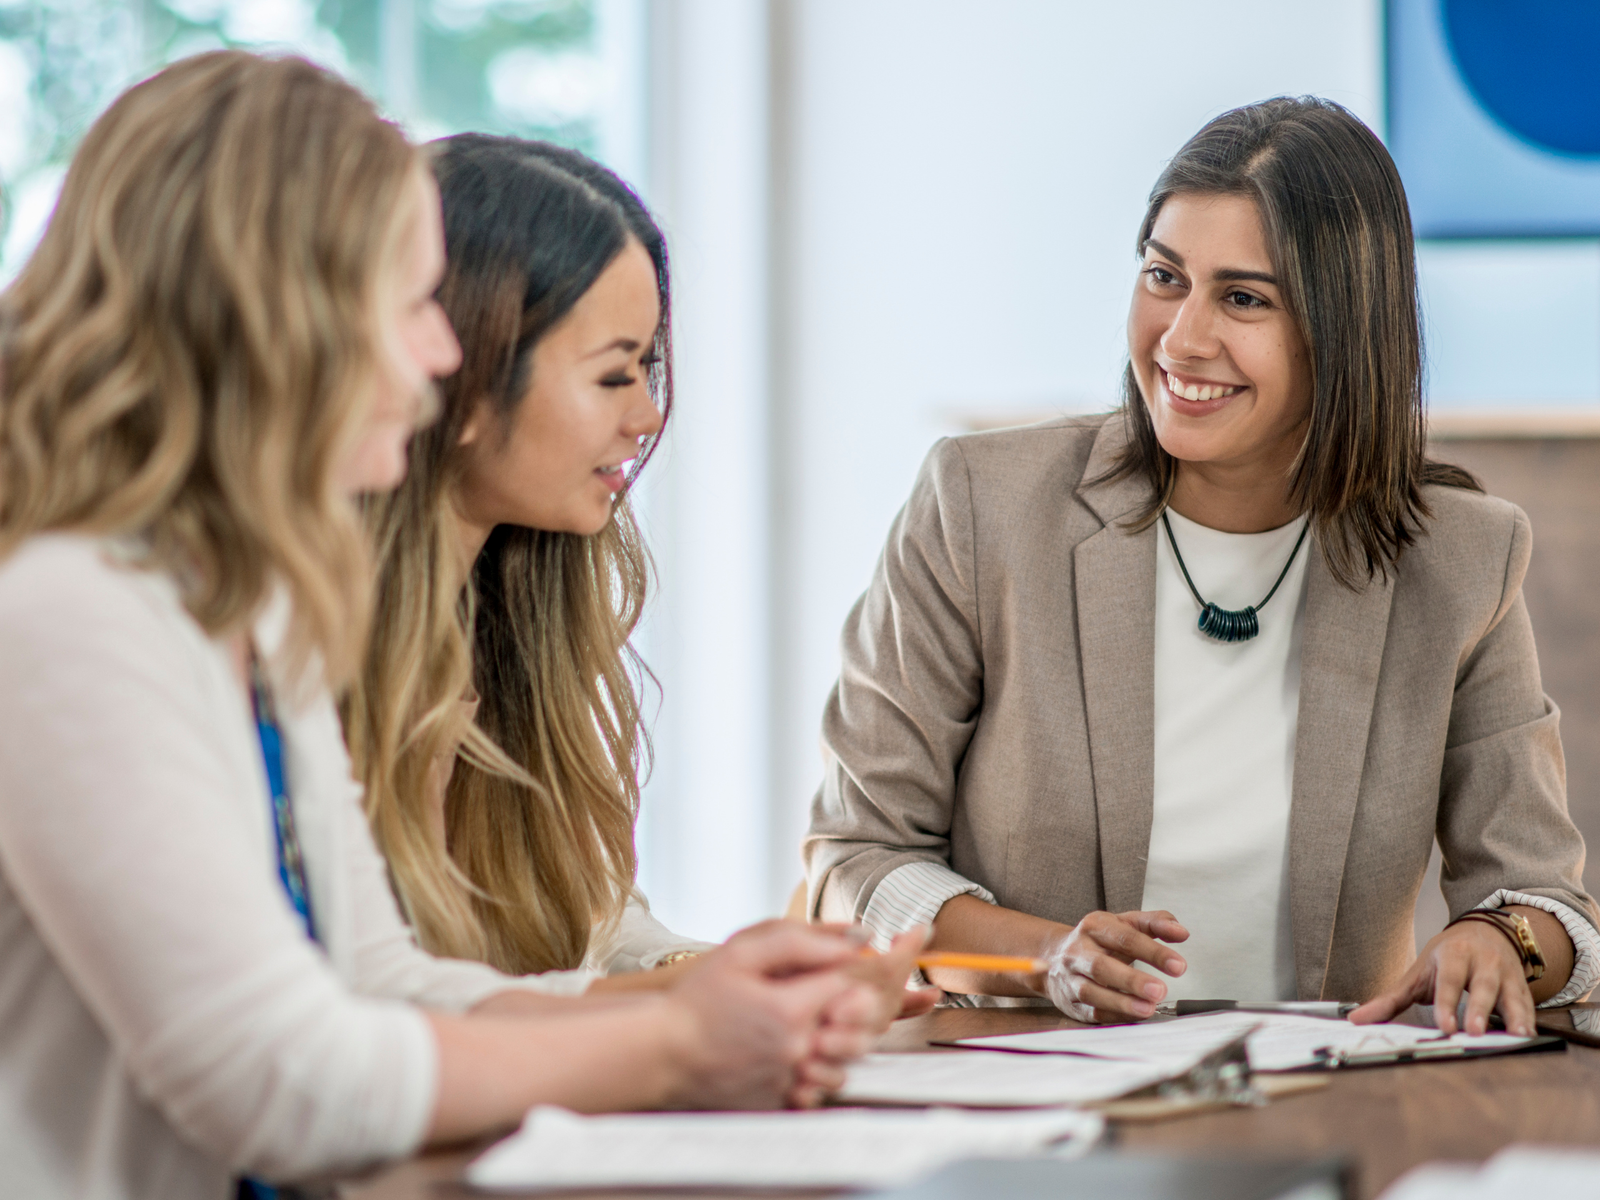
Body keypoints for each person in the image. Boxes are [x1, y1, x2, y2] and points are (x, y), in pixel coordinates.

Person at [0, 53, 885, 1200]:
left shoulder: (251, 610)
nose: (438, 354)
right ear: (276, 314)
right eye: (410, 304)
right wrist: (671, 1046)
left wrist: (702, 998)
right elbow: (272, 1075)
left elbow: (378, 985)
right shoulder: (69, 612)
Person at [803, 96, 1599, 1038]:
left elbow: (1546, 900)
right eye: (1163, 276)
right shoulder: (985, 505)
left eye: (1244, 297)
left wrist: (1505, 941)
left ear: (1344, 334)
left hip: (1318, 1097)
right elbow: (854, 859)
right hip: (1032, 1092)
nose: (1181, 338)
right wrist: (1043, 956)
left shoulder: (1460, 557)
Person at [344, 134, 933, 1018]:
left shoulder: (512, 612)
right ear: (456, 370)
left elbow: (582, 922)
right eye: (614, 373)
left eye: (650, 366)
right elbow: (375, 1008)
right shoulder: (302, 651)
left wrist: (704, 970)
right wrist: (684, 1010)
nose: (649, 414)